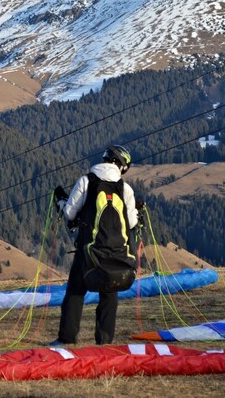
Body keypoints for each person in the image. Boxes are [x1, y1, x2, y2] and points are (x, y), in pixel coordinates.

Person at [50, 145, 140, 346]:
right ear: (122, 166)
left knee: (75, 290)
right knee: (109, 293)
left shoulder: (86, 181)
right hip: (117, 251)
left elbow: (70, 213)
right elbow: (132, 222)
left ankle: (67, 338)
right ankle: (105, 342)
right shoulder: (125, 189)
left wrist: (62, 201)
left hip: (88, 250)